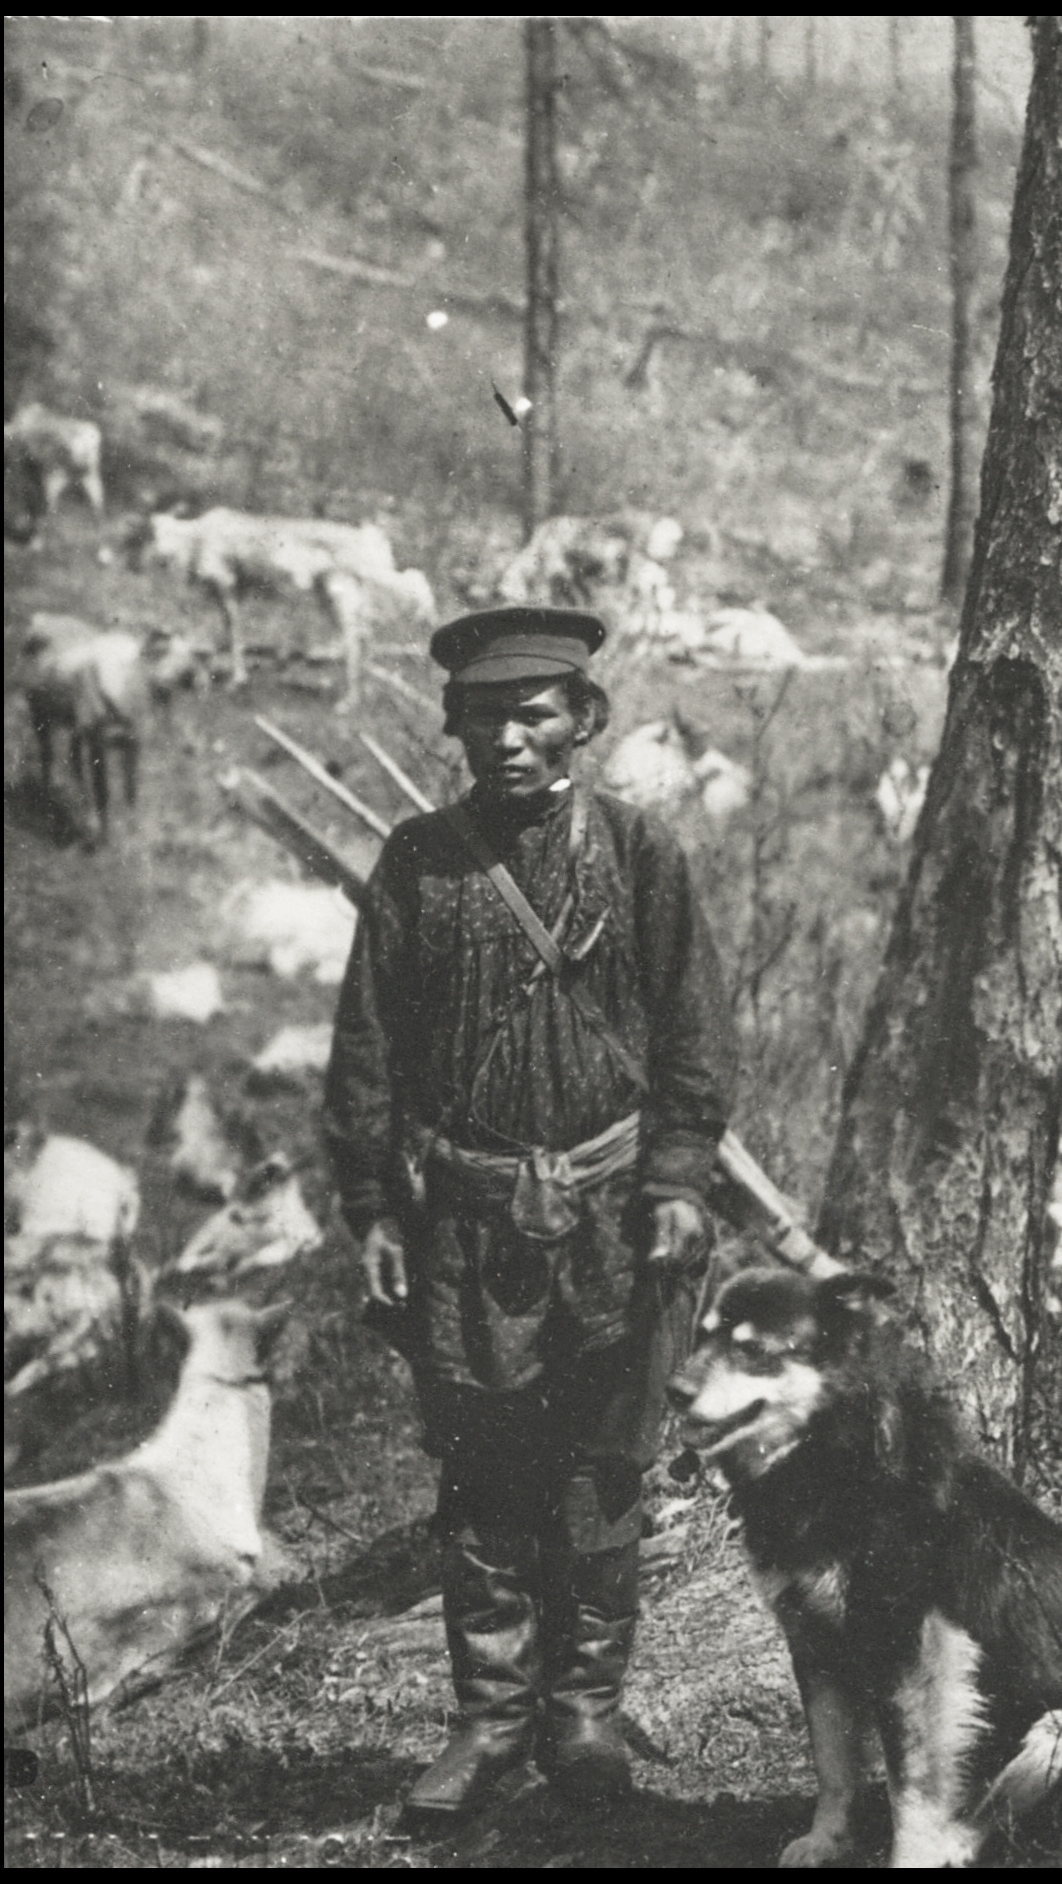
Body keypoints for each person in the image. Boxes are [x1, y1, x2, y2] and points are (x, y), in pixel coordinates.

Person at [324, 606, 734, 1827]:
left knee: (604, 1471)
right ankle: (490, 1720)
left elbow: (695, 1040)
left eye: (534, 712)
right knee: (485, 1473)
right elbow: (367, 1050)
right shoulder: (419, 862)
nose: (506, 737)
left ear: (583, 721)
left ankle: (586, 1716)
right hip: (466, 1222)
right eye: (483, 715)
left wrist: (675, 1183)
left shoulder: (639, 852)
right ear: (454, 727)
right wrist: (371, 1208)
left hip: (615, 1219)